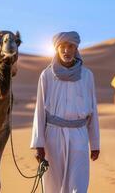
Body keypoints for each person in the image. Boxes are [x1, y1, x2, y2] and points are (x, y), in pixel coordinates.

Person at [30, 31, 100, 193]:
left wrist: (94, 143)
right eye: (62, 46)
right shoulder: (46, 75)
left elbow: (93, 111)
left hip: (79, 136)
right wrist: (39, 144)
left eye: (70, 46)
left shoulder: (87, 75)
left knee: (79, 184)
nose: (66, 50)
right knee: (52, 185)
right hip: (53, 136)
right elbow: (40, 111)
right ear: (56, 49)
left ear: (76, 49)